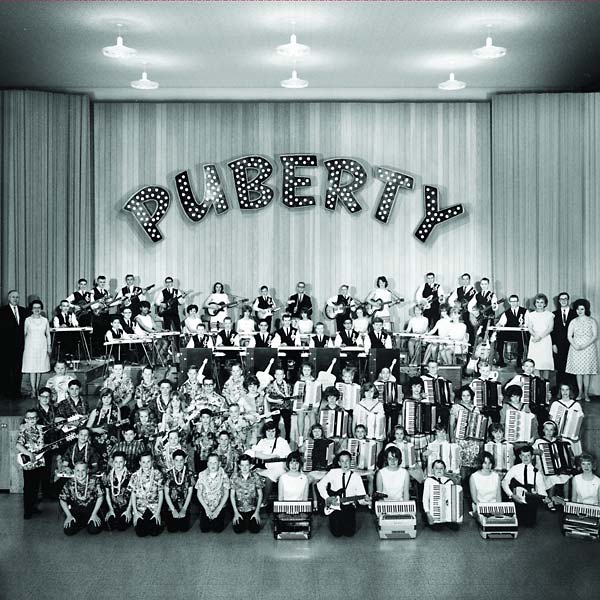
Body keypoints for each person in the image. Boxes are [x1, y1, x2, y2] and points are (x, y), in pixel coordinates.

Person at [317, 450, 369, 537]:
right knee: (336, 533)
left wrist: (367, 501)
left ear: (351, 462)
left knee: (349, 533)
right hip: (335, 507)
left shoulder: (356, 477)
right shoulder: (333, 472)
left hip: (349, 507)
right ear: (339, 463)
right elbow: (320, 485)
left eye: (347, 461)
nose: (345, 464)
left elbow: (361, 498)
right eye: (342, 461)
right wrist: (327, 497)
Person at [502, 445, 552, 526]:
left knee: (529, 524)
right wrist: (511, 495)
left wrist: (546, 499)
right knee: (514, 523)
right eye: (523, 455)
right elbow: (504, 482)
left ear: (532, 457)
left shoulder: (537, 473)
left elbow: (541, 489)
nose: (525, 458)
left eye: (528, 455)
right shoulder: (514, 468)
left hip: (529, 502)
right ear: (520, 457)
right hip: (515, 500)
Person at [566, 298, 598, 402]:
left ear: (586, 309)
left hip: (588, 348)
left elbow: (595, 336)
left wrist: (584, 345)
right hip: (575, 348)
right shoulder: (573, 321)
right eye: (578, 309)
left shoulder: (592, 321)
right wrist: (575, 345)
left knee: (586, 372)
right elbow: (569, 336)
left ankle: (586, 393)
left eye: (582, 309)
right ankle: (580, 392)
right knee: (578, 372)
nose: (579, 311)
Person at [16, 408, 46, 519]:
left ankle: (33, 507)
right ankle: (27, 510)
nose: (31, 420)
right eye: (29, 418)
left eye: (34, 417)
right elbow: (18, 445)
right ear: (25, 419)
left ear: (37, 418)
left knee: (36, 486)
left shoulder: (41, 429)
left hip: (39, 461)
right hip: (29, 462)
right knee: (28, 487)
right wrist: (29, 454)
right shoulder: (24, 430)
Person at [58, 462, 104, 536]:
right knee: (68, 531)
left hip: (91, 510)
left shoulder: (95, 481)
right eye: (78, 470)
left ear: (87, 470)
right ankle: (81, 523)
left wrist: (94, 514)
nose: (80, 473)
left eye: (83, 470)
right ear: (74, 471)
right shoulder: (69, 483)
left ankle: (87, 522)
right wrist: (69, 515)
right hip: (76, 510)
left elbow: (100, 497)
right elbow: (62, 499)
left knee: (94, 530)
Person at [251, 421, 291, 504]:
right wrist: (271, 456)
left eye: (273, 431)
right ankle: (254, 500)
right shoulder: (262, 441)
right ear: (265, 432)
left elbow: (289, 456)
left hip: (280, 467)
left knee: (269, 477)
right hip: (267, 467)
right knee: (253, 474)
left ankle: (264, 501)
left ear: (276, 431)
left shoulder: (282, 441)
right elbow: (256, 453)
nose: (271, 433)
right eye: (268, 431)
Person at [533, 420, 573, 501]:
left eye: (551, 430)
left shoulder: (558, 441)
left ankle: (566, 500)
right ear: (543, 430)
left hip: (557, 469)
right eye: (546, 429)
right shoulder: (538, 441)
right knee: (552, 478)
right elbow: (531, 452)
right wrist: (536, 451)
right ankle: (550, 500)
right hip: (542, 468)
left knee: (567, 477)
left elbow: (568, 453)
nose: (548, 432)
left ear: (554, 431)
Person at [129, 451, 165, 537]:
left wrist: (158, 512)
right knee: (141, 533)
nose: (146, 465)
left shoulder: (158, 474)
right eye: (143, 462)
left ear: (152, 462)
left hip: (154, 508)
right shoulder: (135, 475)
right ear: (140, 463)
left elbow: (160, 493)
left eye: (148, 461)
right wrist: (135, 513)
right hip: (140, 508)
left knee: (154, 532)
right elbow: (133, 494)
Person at [0, 290, 27, 398]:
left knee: (17, 369)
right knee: (6, 369)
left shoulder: (23, 311)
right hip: (6, 346)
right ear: (8, 298)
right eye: (13, 297)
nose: (15, 299)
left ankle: (16, 391)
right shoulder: (2, 311)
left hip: (20, 345)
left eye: (17, 297)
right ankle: (6, 392)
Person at [22, 300, 51, 397]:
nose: (37, 310)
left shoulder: (45, 320)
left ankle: (37, 388)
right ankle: (33, 390)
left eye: (38, 307)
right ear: (31, 309)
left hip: (42, 345)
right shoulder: (27, 320)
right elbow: (24, 334)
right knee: (32, 368)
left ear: (41, 309)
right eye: (35, 308)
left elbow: (48, 334)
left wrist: (49, 346)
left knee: (39, 368)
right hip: (30, 346)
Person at [196, 452, 231, 532]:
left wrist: (218, 510)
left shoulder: (224, 476)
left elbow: (226, 494)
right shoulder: (202, 475)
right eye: (210, 462)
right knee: (204, 529)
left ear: (219, 463)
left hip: (219, 506)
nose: (212, 465)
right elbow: (199, 494)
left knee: (217, 529)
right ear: (207, 464)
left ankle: (218, 516)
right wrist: (206, 509)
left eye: (215, 462)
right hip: (206, 506)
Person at [230, 454, 264, 533]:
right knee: (238, 530)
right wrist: (236, 513)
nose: (244, 468)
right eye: (242, 465)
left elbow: (260, 495)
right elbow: (232, 496)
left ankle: (250, 521)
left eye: (247, 465)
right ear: (239, 466)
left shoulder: (256, 476)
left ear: (251, 466)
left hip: (252, 509)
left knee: (255, 529)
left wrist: (257, 512)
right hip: (240, 509)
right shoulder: (234, 477)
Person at [422, 459, 460, 530]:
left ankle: (446, 521)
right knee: (437, 528)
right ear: (432, 470)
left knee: (456, 527)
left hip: (447, 512)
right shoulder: (429, 481)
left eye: (441, 468)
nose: (439, 470)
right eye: (436, 468)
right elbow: (425, 498)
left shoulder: (449, 481)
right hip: (433, 511)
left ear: (444, 470)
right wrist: (428, 513)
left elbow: (453, 499)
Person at [163, 449, 195, 533]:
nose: (179, 463)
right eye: (176, 460)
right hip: (172, 505)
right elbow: (166, 494)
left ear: (185, 460)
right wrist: (173, 510)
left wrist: (184, 509)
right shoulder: (168, 474)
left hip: (184, 505)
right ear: (173, 461)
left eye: (181, 460)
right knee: (172, 529)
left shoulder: (190, 474)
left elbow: (190, 493)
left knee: (184, 529)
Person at [525, 293, 555, 379]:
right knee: (536, 362)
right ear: (535, 303)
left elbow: (550, 328)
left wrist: (540, 337)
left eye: (542, 302)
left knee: (545, 363)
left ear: (545, 304)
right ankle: (537, 383)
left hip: (545, 339)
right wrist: (535, 336)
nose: (539, 304)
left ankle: (545, 383)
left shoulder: (550, 315)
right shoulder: (531, 315)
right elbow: (530, 328)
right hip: (534, 339)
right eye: (537, 302)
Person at [549, 383, 584, 455]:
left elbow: (580, 421)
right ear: (560, 391)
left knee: (573, 456)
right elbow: (551, 421)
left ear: (570, 391)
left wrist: (576, 435)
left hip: (571, 436)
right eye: (563, 390)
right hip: (558, 436)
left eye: (567, 390)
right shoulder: (555, 404)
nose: (565, 392)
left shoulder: (576, 405)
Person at [493, 294, 527, 367]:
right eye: (512, 301)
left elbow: (528, 322)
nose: (513, 303)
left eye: (515, 301)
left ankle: (519, 360)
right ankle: (501, 359)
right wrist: (499, 325)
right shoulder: (506, 313)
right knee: (500, 336)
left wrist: (524, 325)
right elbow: (501, 323)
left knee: (521, 337)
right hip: (510, 334)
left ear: (518, 302)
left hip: (520, 334)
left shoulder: (524, 311)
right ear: (509, 302)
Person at [103, 451, 133, 531]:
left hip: (126, 507)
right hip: (113, 507)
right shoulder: (108, 475)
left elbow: (133, 494)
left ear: (125, 462)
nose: (118, 464)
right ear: (113, 463)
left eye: (121, 462)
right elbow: (107, 494)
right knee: (108, 527)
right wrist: (111, 509)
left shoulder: (131, 475)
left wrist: (128, 510)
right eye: (116, 462)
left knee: (121, 526)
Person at [552, 292, 577, 386]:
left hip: (572, 344)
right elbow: (552, 330)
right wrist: (553, 344)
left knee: (572, 367)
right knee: (560, 367)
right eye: (561, 299)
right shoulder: (554, 314)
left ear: (568, 300)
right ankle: (560, 389)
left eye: (565, 299)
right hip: (558, 345)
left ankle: (571, 389)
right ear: (559, 301)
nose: (563, 301)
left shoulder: (575, 313)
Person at [469, 451, 502, 517]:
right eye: (485, 463)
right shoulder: (474, 477)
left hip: (494, 509)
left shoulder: (496, 476)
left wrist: (498, 511)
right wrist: (485, 510)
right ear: (481, 463)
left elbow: (498, 497)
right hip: (479, 508)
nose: (488, 465)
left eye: (490, 463)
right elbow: (474, 499)